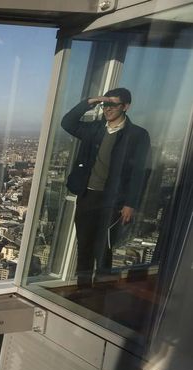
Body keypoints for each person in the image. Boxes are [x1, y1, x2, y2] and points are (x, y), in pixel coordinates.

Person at [62, 87, 150, 290]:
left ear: (125, 107)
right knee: (83, 245)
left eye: (113, 104)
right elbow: (67, 122)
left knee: (104, 248)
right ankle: (83, 289)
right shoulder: (94, 129)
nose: (108, 109)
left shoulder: (137, 135)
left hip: (113, 200)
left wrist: (130, 203)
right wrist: (90, 101)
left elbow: (139, 173)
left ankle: (101, 291)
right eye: (105, 104)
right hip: (88, 195)